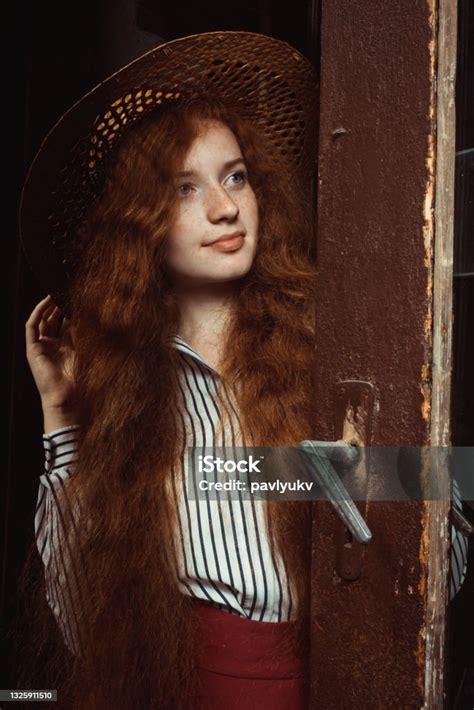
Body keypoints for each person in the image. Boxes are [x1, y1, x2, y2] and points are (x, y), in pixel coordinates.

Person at [20, 32, 319, 710]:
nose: (224, 206)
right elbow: (78, 624)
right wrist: (61, 417)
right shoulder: (126, 390)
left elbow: (438, 552)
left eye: (235, 175)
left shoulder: (325, 345)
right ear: (141, 227)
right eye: (185, 189)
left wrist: (368, 474)